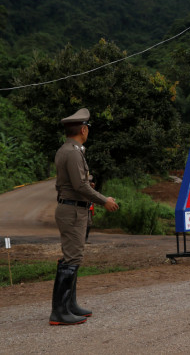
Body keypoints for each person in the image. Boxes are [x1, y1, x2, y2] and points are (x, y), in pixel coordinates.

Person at [50, 108, 120, 326]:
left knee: (73, 258)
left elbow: (74, 183)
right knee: (72, 259)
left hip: (74, 209)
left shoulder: (69, 149)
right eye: (87, 127)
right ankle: (60, 312)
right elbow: (80, 185)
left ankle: (69, 305)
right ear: (83, 129)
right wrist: (103, 200)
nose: (87, 130)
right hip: (72, 211)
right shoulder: (72, 152)